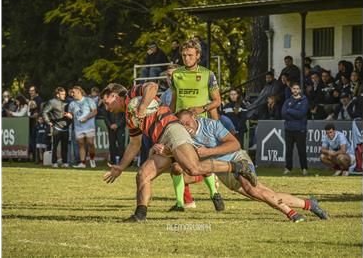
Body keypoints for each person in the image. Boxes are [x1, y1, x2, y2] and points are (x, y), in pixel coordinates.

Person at [101, 82, 257, 222]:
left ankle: (237, 166)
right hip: (162, 140)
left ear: (114, 95)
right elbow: (134, 144)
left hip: (172, 129)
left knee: (193, 168)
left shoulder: (131, 93)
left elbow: (152, 86)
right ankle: (140, 215)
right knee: (143, 174)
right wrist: (121, 167)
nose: (107, 108)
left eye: (106, 102)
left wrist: (142, 106)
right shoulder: (129, 117)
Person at [158, 110, 328, 222]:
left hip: (238, 160)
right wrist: (165, 151)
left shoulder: (211, 125)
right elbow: (181, 156)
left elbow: (235, 144)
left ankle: (293, 215)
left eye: (188, 123)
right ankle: (309, 204)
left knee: (254, 189)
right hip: (223, 172)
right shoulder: (182, 135)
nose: (186, 128)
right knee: (263, 193)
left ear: (195, 118)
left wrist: (209, 152)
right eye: (183, 125)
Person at [169, 39, 223, 209]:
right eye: (184, 55)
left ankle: (214, 194)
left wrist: (201, 109)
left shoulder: (208, 75)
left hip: (200, 127)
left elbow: (217, 101)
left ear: (198, 55)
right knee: (176, 167)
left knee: (202, 166)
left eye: (190, 55)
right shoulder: (176, 75)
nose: (187, 58)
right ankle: (180, 204)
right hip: (178, 126)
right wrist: (168, 119)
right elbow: (174, 100)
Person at [281, 82, 309, 176]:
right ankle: (288, 168)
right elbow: (283, 113)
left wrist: (290, 110)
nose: (295, 90)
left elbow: (302, 114)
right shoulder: (287, 101)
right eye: (294, 89)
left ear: (300, 90)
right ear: (291, 90)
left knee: (301, 150)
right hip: (289, 129)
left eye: (297, 89)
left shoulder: (304, 100)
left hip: (300, 129)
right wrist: (294, 113)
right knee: (289, 150)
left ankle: (304, 168)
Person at [68, 86, 98, 168]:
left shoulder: (89, 100)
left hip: (89, 127)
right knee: (81, 144)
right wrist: (68, 115)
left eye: (73, 92)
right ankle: (83, 163)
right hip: (78, 127)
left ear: (79, 91)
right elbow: (71, 114)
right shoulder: (72, 104)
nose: (72, 94)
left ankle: (92, 159)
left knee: (91, 143)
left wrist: (86, 118)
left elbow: (95, 112)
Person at [42, 87, 71, 168]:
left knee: (65, 147)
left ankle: (65, 162)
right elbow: (44, 112)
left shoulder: (68, 102)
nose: (64, 96)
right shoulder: (52, 102)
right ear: (57, 95)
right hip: (56, 128)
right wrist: (48, 122)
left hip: (66, 128)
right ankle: (54, 162)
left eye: (65, 94)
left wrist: (70, 117)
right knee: (54, 146)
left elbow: (72, 113)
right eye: (62, 94)